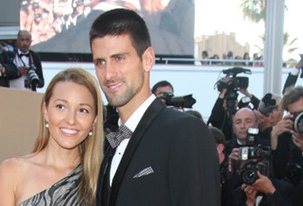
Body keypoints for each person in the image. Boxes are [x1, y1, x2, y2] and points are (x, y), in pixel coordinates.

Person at [90, 8, 220, 205]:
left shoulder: (185, 132)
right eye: (100, 62)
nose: (108, 74)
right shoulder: (111, 144)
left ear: (148, 59)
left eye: (119, 58)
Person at [0, 68, 104, 205]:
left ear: (94, 121)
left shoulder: (101, 179)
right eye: (61, 107)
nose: (71, 120)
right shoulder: (10, 172)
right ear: (45, 111)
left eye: (82, 110)